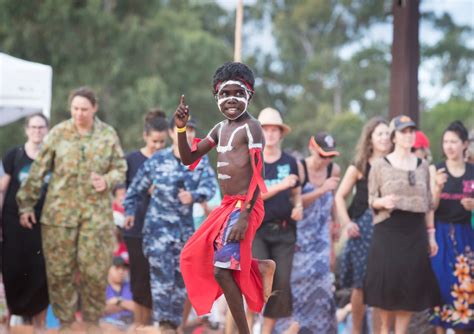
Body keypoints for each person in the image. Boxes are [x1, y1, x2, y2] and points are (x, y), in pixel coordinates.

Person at [16, 87, 127, 333]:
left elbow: (120, 168)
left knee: (95, 272)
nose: (79, 114)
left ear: (94, 109)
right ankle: (66, 323)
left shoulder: (107, 135)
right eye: (75, 109)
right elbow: (38, 171)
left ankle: (91, 322)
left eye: (84, 109)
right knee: (59, 273)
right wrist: (25, 204)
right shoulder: (58, 134)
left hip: (95, 217)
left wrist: (107, 180)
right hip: (59, 216)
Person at [177, 62, 276, 334]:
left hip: (246, 206)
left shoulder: (252, 128)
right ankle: (260, 267)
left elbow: (258, 174)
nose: (231, 99)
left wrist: (244, 216)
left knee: (223, 271)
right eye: (224, 94)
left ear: (249, 96)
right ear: (216, 96)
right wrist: (181, 129)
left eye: (238, 93)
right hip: (226, 207)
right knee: (192, 255)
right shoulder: (219, 129)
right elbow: (188, 158)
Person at [123, 115, 216, 334]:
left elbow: (210, 187)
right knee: (161, 282)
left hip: (184, 233)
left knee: (180, 283)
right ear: (172, 133)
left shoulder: (199, 161)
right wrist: (129, 212)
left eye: (192, 130)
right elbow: (135, 190)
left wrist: (193, 195)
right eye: (183, 130)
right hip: (157, 232)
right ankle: (164, 326)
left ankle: (173, 326)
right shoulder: (157, 160)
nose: (188, 133)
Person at [364, 115, 441, 334]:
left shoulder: (423, 165)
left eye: (411, 131)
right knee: (388, 288)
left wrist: (431, 235)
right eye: (403, 132)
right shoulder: (379, 165)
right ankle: (385, 331)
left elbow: (428, 203)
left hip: (415, 230)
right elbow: (371, 200)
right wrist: (382, 201)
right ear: (394, 136)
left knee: (410, 288)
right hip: (388, 228)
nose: (408, 136)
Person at [276, 132, 341, 334]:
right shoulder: (300, 168)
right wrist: (321, 190)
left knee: (322, 287)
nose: (326, 160)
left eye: (330, 156)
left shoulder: (333, 169)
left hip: (321, 237)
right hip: (299, 238)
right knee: (297, 288)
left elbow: (334, 199)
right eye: (323, 155)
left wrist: (336, 221)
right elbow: (292, 202)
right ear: (312, 148)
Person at [248, 107, 302, 334]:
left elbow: (296, 190)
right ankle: (249, 326)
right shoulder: (252, 159)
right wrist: (281, 185)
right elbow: (253, 194)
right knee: (258, 278)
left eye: (274, 130)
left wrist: (298, 205)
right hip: (258, 229)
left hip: (284, 231)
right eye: (265, 129)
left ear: (281, 134)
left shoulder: (290, 161)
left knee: (281, 282)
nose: (270, 134)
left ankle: (266, 331)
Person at [335, 117, 391, 334]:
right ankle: (356, 331)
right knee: (360, 285)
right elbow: (340, 196)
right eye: (380, 134)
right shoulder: (359, 166)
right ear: (370, 139)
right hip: (363, 228)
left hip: (387, 228)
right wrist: (346, 223)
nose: (384, 137)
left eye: (387, 133)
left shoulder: (395, 164)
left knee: (381, 284)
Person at [0, 113, 50, 329]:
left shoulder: (51, 158)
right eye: (33, 127)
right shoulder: (14, 155)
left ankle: (39, 326)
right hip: (13, 224)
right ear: (26, 130)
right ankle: (5, 325)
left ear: (47, 130)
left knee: (40, 274)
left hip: (42, 226)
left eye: (41, 127)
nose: (37, 131)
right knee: (11, 272)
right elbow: (2, 190)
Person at [122, 109, 169, 327]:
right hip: (137, 229)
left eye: (162, 142)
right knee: (139, 280)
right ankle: (139, 326)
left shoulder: (171, 161)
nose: (158, 146)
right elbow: (122, 191)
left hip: (163, 230)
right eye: (154, 142)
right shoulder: (131, 159)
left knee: (159, 281)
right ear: (145, 137)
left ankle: (152, 327)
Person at [429, 120, 474, 333]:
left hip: (465, 236)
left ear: (464, 144)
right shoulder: (436, 169)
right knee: (440, 287)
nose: (449, 146)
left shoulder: (472, 172)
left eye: (454, 142)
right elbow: (431, 206)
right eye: (446, 141)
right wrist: (437, 187)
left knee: (464, 290)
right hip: (439, 234)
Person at [101, 256, 135, 331]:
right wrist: (126, 305)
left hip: (130, 324)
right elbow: (100, 310)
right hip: (108, 325)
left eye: (124, 269)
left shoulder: (131, 286)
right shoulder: (100, 287)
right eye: (117, 268)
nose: (121, 271)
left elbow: (138, 307)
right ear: (108, 269)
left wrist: (118, 301)